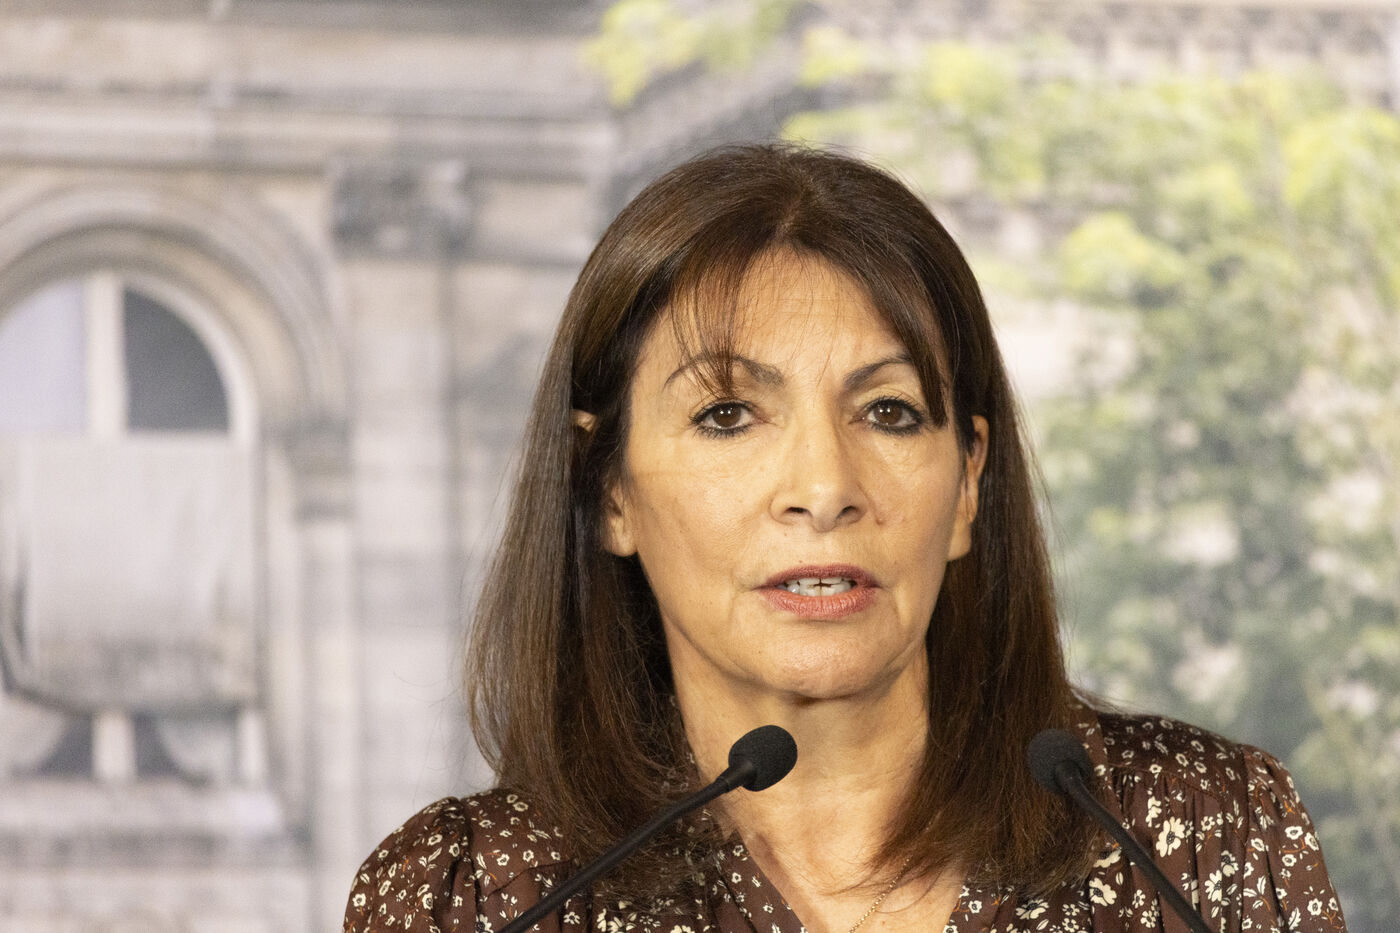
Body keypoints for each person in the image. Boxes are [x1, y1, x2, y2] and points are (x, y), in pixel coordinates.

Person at [343, 145, 1346, 933]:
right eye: (728, 415)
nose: (824, 491)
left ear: (967, 483)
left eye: (888, 413)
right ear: (607, 490)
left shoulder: (1202, 837)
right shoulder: (471, 899)